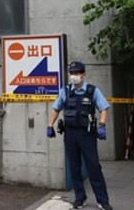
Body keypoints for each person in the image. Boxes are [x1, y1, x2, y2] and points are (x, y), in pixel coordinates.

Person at [47, 61, 113, 210]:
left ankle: (103, 200)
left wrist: (102, 125)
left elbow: (103, 108)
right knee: (74, 167)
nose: (74, 76)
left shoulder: (92, 91)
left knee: (94, 167)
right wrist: (50, 125)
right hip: (70, 134)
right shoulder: (66, 91)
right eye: (72, 73)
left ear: (83, 74)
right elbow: (56, 109)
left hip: (87, 134)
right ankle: (80, 198)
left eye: (77, 73)